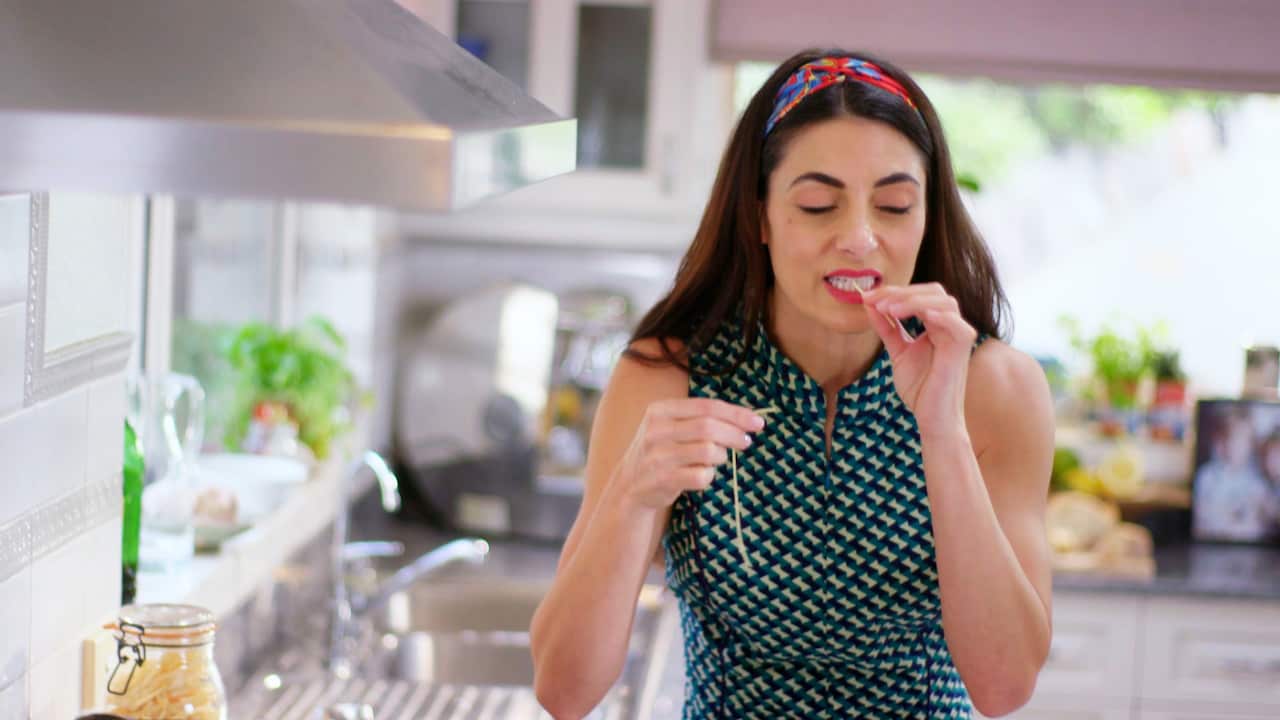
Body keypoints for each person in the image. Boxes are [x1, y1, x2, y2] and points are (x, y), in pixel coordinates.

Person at [530, 50, 1055, 719]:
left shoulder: (995, 387)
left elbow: (1004, 688)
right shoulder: (667, 378)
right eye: (817, 205)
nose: (859, 238)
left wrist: (942, 430)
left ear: (928, 216)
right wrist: (632, 495)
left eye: (894, 205)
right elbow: (564, 691)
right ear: (759, 217)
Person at [1193, 408, 1273, 542]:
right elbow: (1200, 522)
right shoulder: (1206, 476)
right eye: (1232, 438)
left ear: (1250, 446)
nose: (1236, 446)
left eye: (1243, 441)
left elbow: (1260, 525)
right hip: (1212, 540)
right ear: (1222, 441)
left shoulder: (1257, 483)